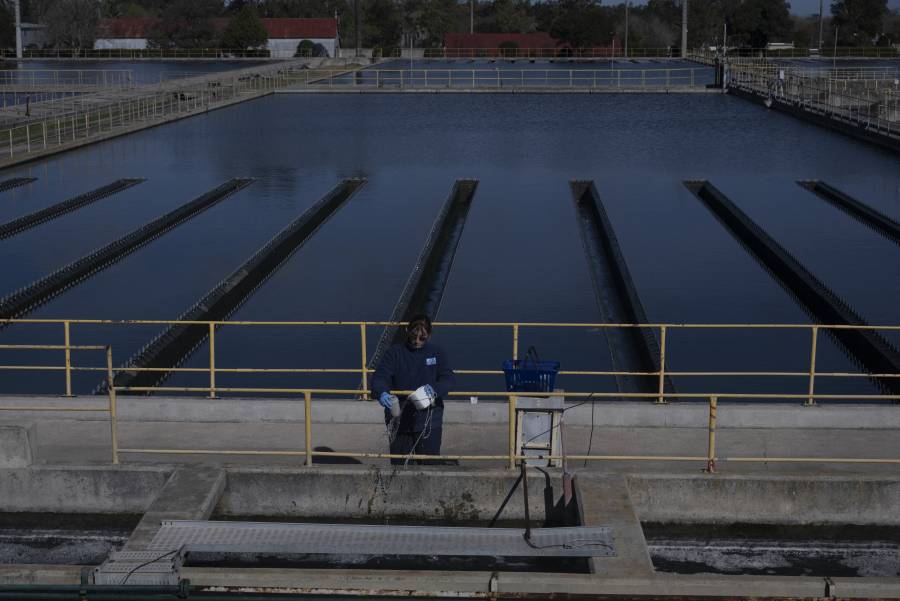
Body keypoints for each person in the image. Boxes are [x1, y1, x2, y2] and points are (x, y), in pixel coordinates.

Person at [371, 314, 455, 465]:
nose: (417, 341)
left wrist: (434, 389)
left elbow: (448, 379)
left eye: (422, 338)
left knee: (430, 466)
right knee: (400, 467)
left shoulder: (437, 353)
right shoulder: (394, 353)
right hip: (400, 419)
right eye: (413, 336)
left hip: (429, 421)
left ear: (429, 335)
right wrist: (382, 392)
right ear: (406, 330)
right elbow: (380, 377)